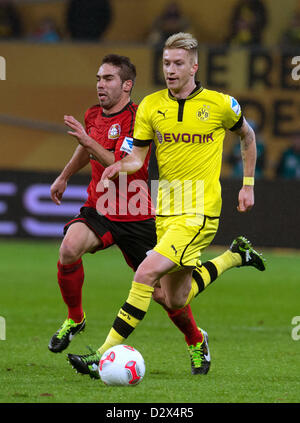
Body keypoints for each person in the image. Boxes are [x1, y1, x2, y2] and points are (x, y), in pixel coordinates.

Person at [68, 33, 266, 378]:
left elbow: (247, 137)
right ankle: (235, 256)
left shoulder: (221, 104)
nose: (170, 70)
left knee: (145, 275)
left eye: (177, 64)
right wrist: (118, 165)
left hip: (200, 211)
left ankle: (100, 354)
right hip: (166, 208)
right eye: (165, 63)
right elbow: (137, 157)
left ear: (194, 66)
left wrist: (248, 184)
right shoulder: (151, 106)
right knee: (175, 298)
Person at [48, 54, 218, 377]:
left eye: (108, 79)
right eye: (98, 78)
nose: (100, 84)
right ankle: (75, 318)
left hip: (137, 213)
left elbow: (124, 165)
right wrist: (65, 175)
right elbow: (86, 149)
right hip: (102, 207)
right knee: (69, 248)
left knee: (167, 297)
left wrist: (87, 140)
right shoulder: (92, 115)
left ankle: (196, 340)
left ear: (127, 85)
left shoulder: (139, 118)